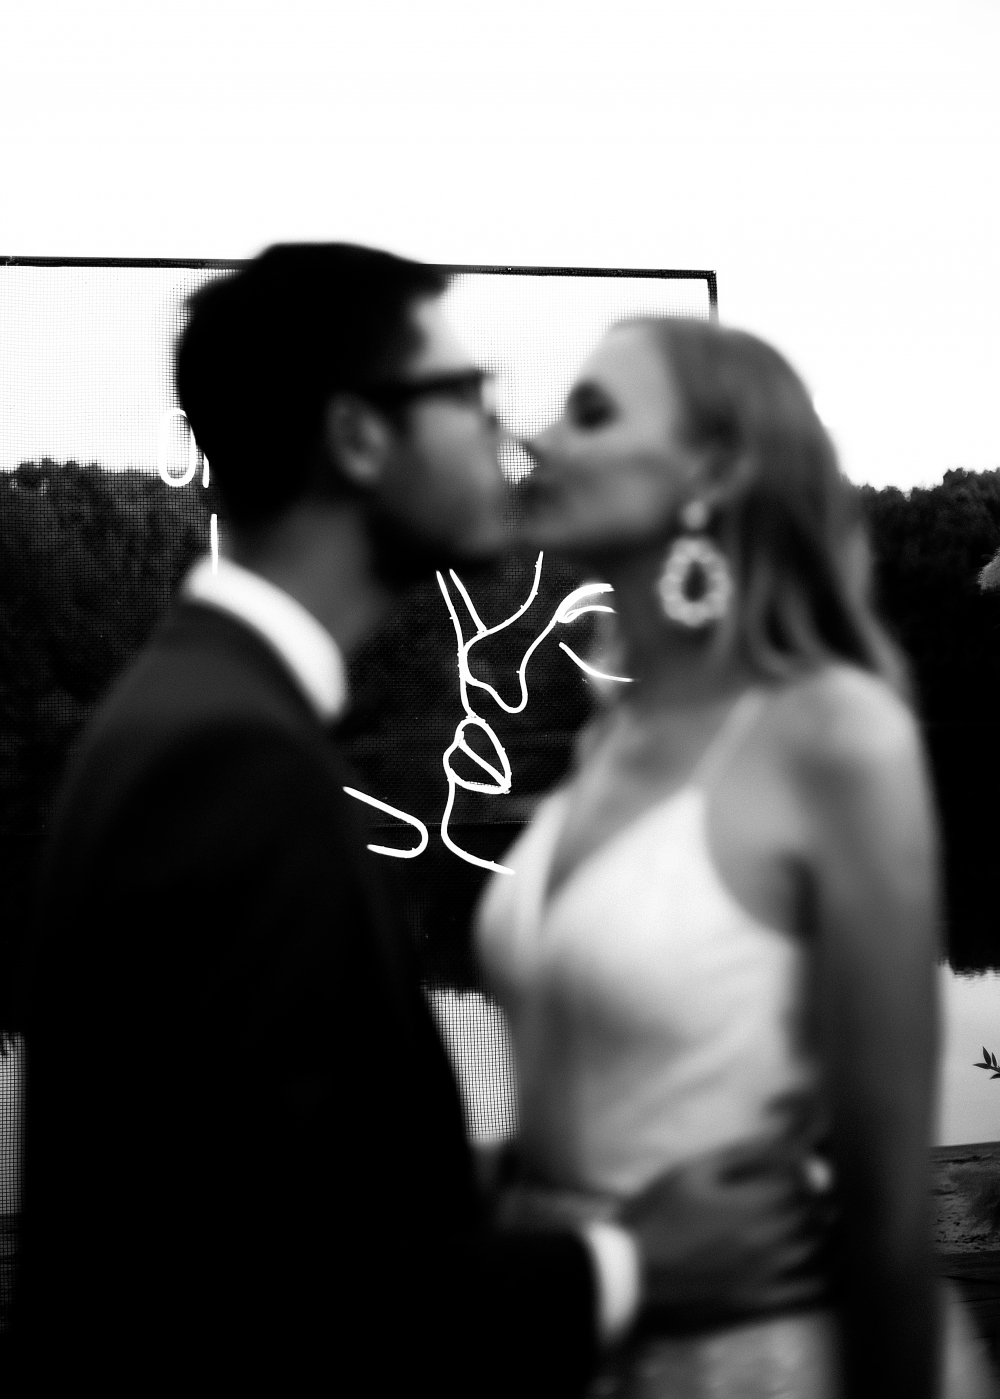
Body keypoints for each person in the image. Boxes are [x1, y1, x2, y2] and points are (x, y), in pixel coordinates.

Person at [7, 249, 828, 1395]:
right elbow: (305, 1304)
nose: (505, 431)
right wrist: (637, 1261)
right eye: (467, 392)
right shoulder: (229, 761)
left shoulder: (207, 713)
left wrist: (527, 1183)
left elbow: (259, 1185)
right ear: (358, 437)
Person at [476, 316, 999, 1398]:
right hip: (583, 1338)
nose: (543, 438)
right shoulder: (610, 737)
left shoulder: (833, 735)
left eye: (592, 413)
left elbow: (887, 1205)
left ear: (710, 470)